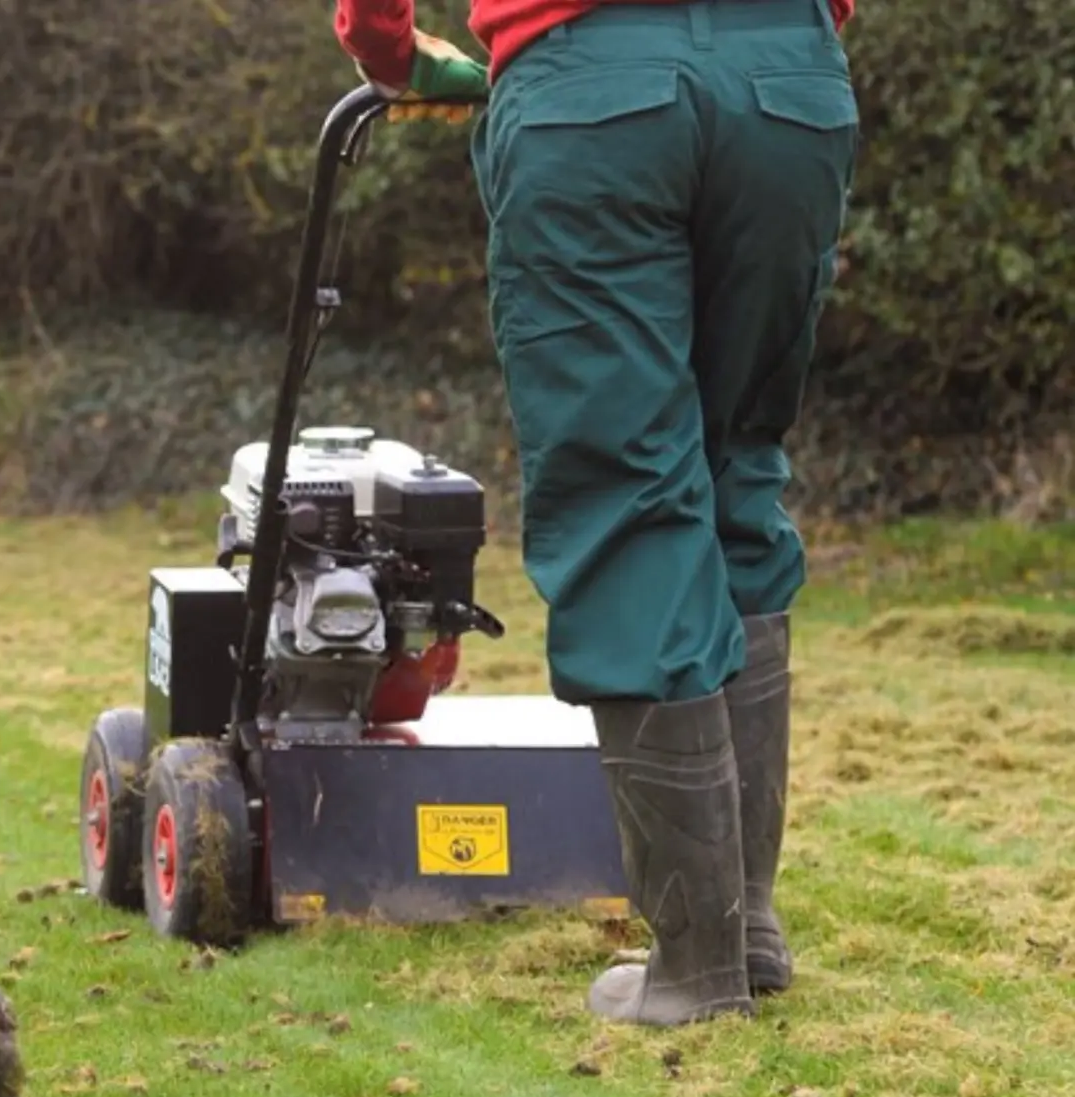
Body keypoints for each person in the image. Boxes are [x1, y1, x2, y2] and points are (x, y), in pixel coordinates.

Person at [334, 0, 857, 1026]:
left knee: (629, 495)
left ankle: (696, 965)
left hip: (595, 101)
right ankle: (745, 918)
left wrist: (389, 52)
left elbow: (374, 19)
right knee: (738, 470)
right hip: (787, 82)